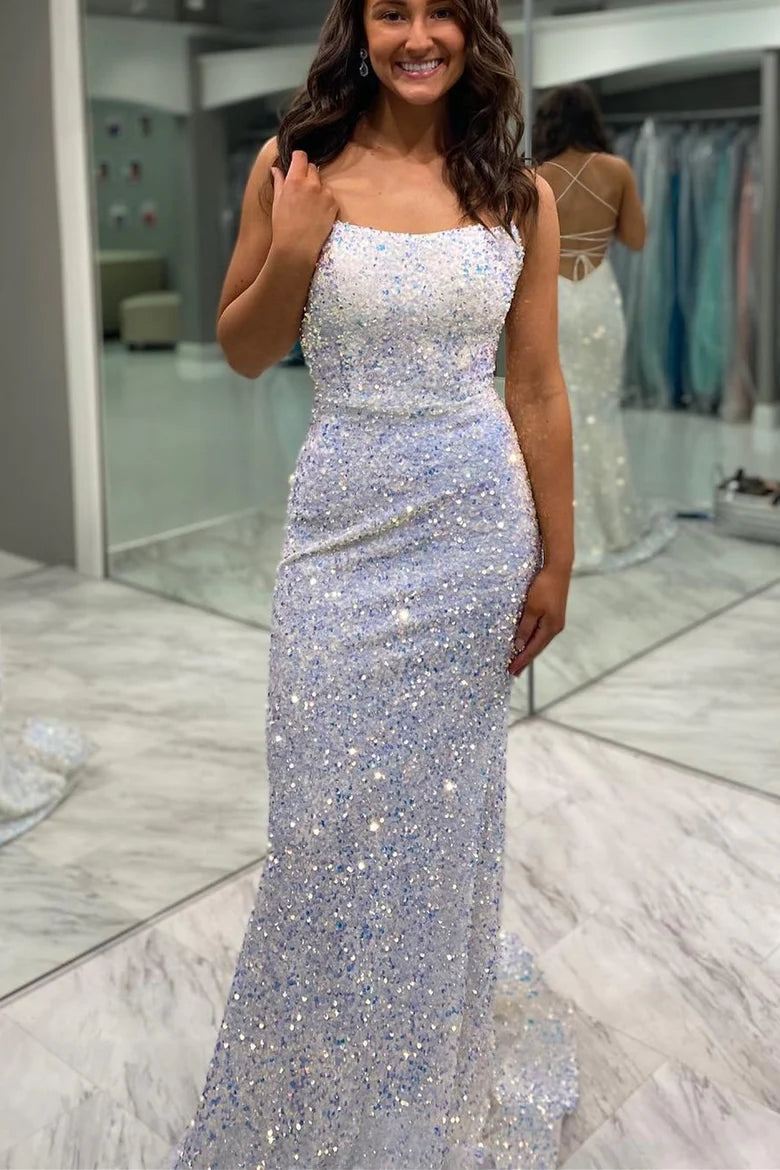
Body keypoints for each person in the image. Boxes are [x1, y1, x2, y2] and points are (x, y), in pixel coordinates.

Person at [174, 2, 577, 1166]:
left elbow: (536, 386)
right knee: (318, 826)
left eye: (439, 10)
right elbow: (245, 348)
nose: (416, 35)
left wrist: (557, 557)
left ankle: (409, 1100)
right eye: (391, 10)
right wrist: (295, 246)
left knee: (440, 830)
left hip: (473, 538)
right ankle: (310, 1094)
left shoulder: (518, 196)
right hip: (340, 542)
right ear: (357, 26)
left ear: (471, 30)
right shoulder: (293, 165)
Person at [535, 83, 676, 573]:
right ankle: (611, 523)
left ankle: (557, 531)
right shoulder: (616, 170)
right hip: (598, 296)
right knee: (599, 407)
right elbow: (636, 238)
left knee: (555, 408)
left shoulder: (537, 177)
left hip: (552, 299)